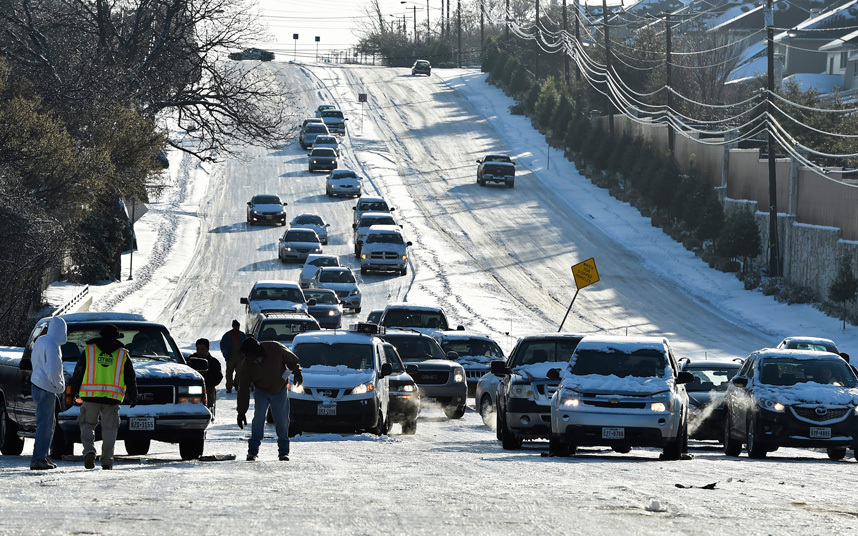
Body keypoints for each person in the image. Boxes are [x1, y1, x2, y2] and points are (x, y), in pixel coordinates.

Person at [70, 324, 137, 470]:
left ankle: (89, 450)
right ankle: (107, 461)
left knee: (87, 424)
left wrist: (73, 391)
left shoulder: (89, 350)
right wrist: (133, 395)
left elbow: (78, 372)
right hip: (112, 398)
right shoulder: (122, 353)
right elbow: (130, 377)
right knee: (110, 429)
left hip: (90, 396)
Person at [236, 337, 302, 462]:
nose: (248, 359)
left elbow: (293, 360)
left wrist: (298, 373)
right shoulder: (247, 364)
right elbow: (243, 389)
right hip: (261, 391)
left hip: (279, 390)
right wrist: (241, 412)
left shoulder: (275, 348)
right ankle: (252, 451)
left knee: (282, 421)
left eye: (250, 356)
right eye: (247, 356)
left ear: (257, 351)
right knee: (258, 420)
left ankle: (283, 451)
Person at [29, 317, 67, 470]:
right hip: (46, 387)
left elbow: (34, 360)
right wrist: (58, 386)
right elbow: (53, 370)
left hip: (36, 384)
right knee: (46, 425)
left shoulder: (41, 341)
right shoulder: (52, 345)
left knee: (46, 424)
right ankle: (39, 458)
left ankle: (43, 456)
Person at [188, 338, 224, 418]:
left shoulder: (213, 362)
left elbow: (218, 377)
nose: (200, 351)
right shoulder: (190, 360)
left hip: (208, 388)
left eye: (202, 349)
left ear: (208, 349)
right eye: (198, 349)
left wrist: (209, 381)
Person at [219, 320, 247, 393]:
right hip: (230, 357)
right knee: (229, 373)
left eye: (237, 326)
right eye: (235, 326)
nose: (236, 328)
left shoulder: (242, 335)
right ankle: (229, 387)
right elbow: (222, 345)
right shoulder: (227, 335)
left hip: (240, 357)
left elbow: (246, 345)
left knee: (239, 372)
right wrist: (225, 354)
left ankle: (237, 384)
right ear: (233, 326)